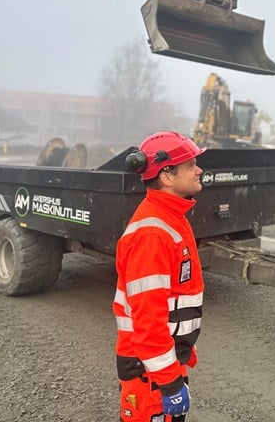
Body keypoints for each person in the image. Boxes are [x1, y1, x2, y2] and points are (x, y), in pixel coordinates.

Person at [113, 131, 206, 422]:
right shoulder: (152, 235)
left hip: (162, 361)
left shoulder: (171, 216)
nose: (199, 169)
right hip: (149, 370)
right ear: (166, 176)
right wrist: (169, 382)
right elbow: (148, 320)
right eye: (190, 164)